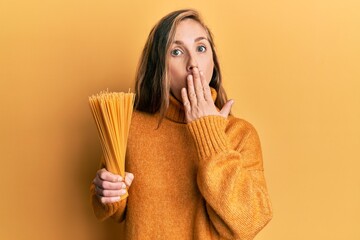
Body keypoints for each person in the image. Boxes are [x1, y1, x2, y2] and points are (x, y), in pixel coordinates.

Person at [90, 9, 273, 240]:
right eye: (176, 51)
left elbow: (250, 221)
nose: (193, 63)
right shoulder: (129, 126)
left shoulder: (240, 134)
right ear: (160, 68)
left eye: (201, 48)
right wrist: (105, 192)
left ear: (213, 62)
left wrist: (210, 133)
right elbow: (114, 209)